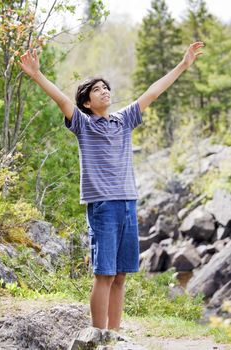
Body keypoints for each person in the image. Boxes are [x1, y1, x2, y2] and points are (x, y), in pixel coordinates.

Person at [19, 41, 204, 330]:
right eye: (97, 89)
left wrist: (182, 65)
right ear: (87, 103)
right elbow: (62, 101)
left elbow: (153, 92)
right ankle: (98, 335)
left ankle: (115, 336)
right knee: (103, 274)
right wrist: (37, 75)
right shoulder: (83, 123)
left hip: (129, 202)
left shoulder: (124, 120)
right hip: (103, 206)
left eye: (106, 87)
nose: (105, 90)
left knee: (120, 275)